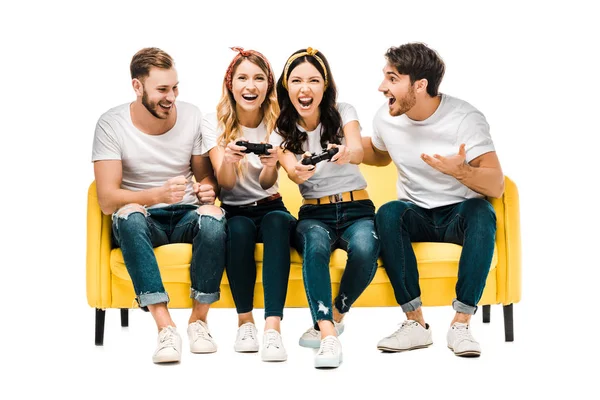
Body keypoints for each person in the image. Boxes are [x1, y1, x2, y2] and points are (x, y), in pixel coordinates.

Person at [362, 42, 504, 357]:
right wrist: (347, 147)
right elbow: (379, 154)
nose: (381, 86)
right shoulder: (386, 117)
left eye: (392, 78)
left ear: (420, 85)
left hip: (459, 215)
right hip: (416, 214)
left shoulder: (465, 117)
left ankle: (461, 325)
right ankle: (415, 324)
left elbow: (496, 184)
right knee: (388, 213)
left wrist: (463, 172)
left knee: (482, 212)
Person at [92, 47, 227, 364]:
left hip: (187, 217)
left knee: (215, 217)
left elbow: (205, 176)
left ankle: (199, 321)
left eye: (175, 88)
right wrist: (156, 196)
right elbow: (107, 198)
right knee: (128, 217)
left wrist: (209, 189)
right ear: (137, 87)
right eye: (162, 90)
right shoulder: (111, 124)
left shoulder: (192, 116)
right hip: (142, 218)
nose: (171, 97)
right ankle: (165, 328)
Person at [272, 47, 380, 368]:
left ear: (325, 86)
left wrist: (347, 152)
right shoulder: (280, 128)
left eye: (314, 81)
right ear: (286, 87)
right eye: (297, 81)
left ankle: (335, 313)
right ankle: (329, 336)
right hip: (314, 214)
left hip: (357, 208)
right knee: (314, 246)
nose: (305, 88)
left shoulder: (343, 110)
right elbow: (289, 167)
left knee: (365, 246)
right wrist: (297, 171)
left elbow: (358, 148)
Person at [201, 47, 296, 362]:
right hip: (235, 209)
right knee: (238, 230)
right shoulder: (213, 122)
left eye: (258, 78)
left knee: (278, 223)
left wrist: (271, 165)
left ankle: (273, 328)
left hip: (271, 204)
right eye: (242, 78)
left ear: (268, 84)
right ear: (230, 84)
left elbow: (269, 183)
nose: (250, 86)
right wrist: (228, 158)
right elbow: (225, 184)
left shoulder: (280, 121)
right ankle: (245, 323)